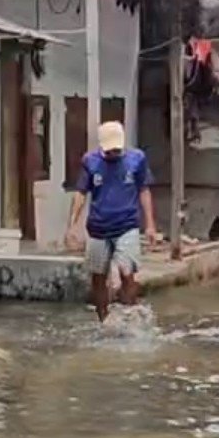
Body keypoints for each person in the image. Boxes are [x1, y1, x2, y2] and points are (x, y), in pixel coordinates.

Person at [66, 121, 159, 322]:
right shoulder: (90, 162)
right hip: (98, 227)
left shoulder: (137, 160)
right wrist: (73, 225)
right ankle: (103, 320)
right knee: (98, 277)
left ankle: (131, 317)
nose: (113, 154)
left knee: (127, 272)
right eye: (109, 150)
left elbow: (144, 190)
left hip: (127, 224)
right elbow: (81, 194)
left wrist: (150, 225)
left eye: (117, 149)